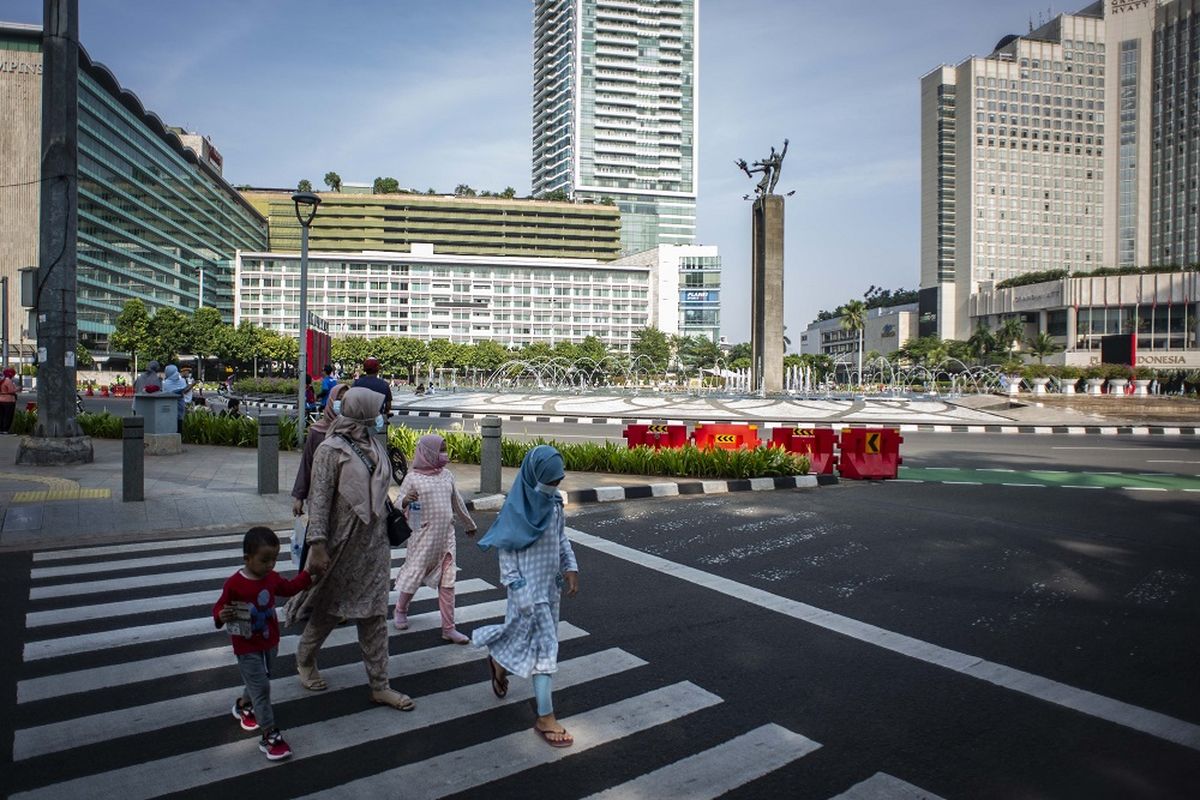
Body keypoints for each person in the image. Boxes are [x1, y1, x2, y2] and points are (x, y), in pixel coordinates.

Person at [281, 387, 415, 710]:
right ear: (362, 410)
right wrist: (317, 545)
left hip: (373, 545)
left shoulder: (373, 445)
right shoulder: (330, 449)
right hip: (341, 543)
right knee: (328, 608)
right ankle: (305, 658)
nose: (382, 414)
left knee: (373, 615)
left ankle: (379, 684)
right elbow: (321, 500)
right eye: (378, 408)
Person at [473, 445, 580, 748]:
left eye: (558, 481)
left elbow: (561, 538)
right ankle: (545, 716)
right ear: (534, 476)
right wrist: (518, 592)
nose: (555, 487)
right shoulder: (514, 510)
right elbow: (506, 555)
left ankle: (498, 660)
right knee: (546, 648)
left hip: (549, 589)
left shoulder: (555, 504)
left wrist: (571, 567)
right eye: (550, 481)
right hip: (525, 593)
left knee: (519, 639)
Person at [212, 527, 312, 761]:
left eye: (274, 559)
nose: (270, 565)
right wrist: (221, 616)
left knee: (260, 679)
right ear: (247, 558)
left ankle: (243, 705)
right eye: (264, 560)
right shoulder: (235, 584)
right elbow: (219, 608)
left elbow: (288, 588)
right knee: (262, 687)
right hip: (246, 646)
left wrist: (308, 575)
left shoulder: (271, 578)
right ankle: (270, 735)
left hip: (269, 641)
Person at [393, 434, 477, 642]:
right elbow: (396, 504)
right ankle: (401, 609)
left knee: (448, 582)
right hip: (423, 537)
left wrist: (469, 524)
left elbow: (457, 502)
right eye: (441, 450)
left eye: (445, 449)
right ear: (428, 453)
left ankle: (448, 628)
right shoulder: (412, 478)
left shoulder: (447, 475)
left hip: (446, 539)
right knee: (415, 574)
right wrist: (405, 501)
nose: (444, 454)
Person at [292, 383, 350, 517]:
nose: (341, 404)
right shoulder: (317, 431)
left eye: (346, 400)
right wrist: (299, 497)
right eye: (339, 399)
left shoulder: (353, 431)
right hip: (319, 496)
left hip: (346, 500)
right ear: (331, 400)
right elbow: (306, 464)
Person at [161, 364, 189, 434]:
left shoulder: (165, 383)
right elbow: (183, 391)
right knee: (179, 424)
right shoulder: (182, 381)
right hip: (180, 406)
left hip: (169, 407)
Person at [0, 367, 19, 434]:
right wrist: (17, 389)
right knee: (8, 416)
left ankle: (1, 429)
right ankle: (5, 430)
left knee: (1, 415)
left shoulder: (2, 380)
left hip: (1, 400)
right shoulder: (8, 381)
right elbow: (11, 390)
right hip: (9, 401)